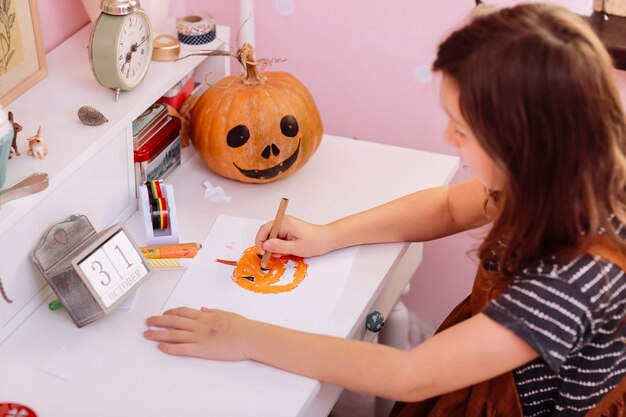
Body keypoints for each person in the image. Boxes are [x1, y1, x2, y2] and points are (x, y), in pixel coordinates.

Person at [144, 4, 626, 415]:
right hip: (490, 368)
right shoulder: (554, 175)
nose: (447, 139)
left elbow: (410, 375)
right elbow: (449, 207)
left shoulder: (574, 279)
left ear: (520, 145)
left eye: (460, 130)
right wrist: (329, 235)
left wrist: (245, 335)